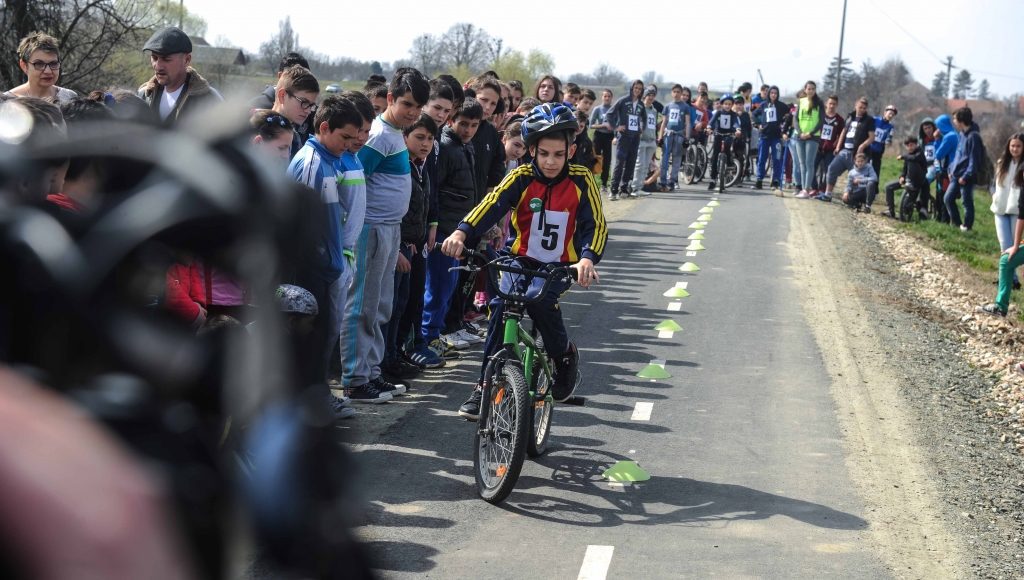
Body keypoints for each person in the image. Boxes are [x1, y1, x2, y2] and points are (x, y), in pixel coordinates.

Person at [441, 103, 606, 420]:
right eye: (544, 153)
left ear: (570, 151)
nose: (551, 161)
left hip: (560, 266)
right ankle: (484, 386)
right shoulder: (520, 176)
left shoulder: (582, 180)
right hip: (517, 258)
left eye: (559, 154)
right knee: (502, 307)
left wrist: (587, 258)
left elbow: (595, 225)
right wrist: (462, 233)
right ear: (531, 151)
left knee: (540, 301)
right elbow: (491, 204)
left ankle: (563, 356)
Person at [342, 67, 429, 400]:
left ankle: (372, 372)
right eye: (407, 104)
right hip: (371, 230)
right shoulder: (379, 135)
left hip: (390, 230)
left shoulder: (395, 133)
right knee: (362, 305)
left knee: (380, 306)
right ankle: (355, 377)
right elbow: (356, 178)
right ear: (390, 98)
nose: (413, 112)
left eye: (418, 107)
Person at [288, 96, 381, 401]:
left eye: (353, 139)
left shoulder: (333, 161)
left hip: (330, 264)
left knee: (325, 334)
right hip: (310, 269)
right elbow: (299, 223)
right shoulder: (311, 164)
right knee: (309, 336)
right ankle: (306, 397)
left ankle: (317, 393)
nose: (348, 145)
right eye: (344, 137)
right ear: (325, 128)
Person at [418, 98, 482, 362]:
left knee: (449, 286)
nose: (467, 130)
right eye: (463, 123)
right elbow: (435, 191)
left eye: (474, 125)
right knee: (438, 286)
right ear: (452, 120)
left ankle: (435, 335)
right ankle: (427, 337)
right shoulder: (444, 147)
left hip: (457, 230)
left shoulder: (466, 148)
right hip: (443, 231)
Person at [381, 113, 437, 384]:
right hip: (398, 245)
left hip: (414, 245)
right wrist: (399, 249)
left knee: (404, 304)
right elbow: (394, 211)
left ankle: (394, 354)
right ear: (405, 137)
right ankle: (383, 361)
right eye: (419, 137)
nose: (426, 143)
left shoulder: (421, 165)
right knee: (390, 307)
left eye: (430, 138)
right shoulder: (400, 165)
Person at [978, 134, 1024, 317]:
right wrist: (994, 196)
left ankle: (1008, 286)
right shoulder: (1002, 162)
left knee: (1011, 250)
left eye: (1018, 146)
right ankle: (1007, 289)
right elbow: (994, 183)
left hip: (1015, 211)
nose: (1014, 149)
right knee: (1006, 248)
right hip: (1001, 208)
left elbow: (1022, 213)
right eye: (1012, 146)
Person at [138, 27, 222, 125]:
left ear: (186, 60)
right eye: (154, 58)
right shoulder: (144, 95)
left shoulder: (209, 100)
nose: (158, 66)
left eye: (166, 59)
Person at [821, 97, 876, 203]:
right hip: (845, 150)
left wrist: (862, 146)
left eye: (864, 108)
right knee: (832, 168)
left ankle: (854, 199)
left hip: (857, 154)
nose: (862, 109)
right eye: (860, 107)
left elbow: (871, 137)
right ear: (856, 105)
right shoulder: (850, 116)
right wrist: (838, 147)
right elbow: (843, 132)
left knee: (857, 177)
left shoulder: (869, 120)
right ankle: (828, 193)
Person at [250, 52, 312, 142]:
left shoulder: (309, 111)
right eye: (295, 78)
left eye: (305, 80)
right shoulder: (255, 107)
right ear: (280, 76)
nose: (301, 85)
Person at [5, 32, 77, 103]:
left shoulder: (69, 98)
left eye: (53, 64)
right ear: (24, 66)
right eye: (39, 64)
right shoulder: (7, 102)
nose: (48, 71)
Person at [944, 106, 984, 232]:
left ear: (961, 121)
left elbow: (974, 160)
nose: (953, 121)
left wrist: (966, 176)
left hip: (966, 177)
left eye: (955, 119)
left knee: (966, 203)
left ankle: (967, 227)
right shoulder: (961, 134)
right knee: (948, 199)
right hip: (956, 174)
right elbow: (958, 154)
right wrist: (951, 169)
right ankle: (957, 224)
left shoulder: (974, 137)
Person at [267, 65, 320, 157]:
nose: (308, 111)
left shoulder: (294, 137)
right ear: (282, 95)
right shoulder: (261, 132)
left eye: (311, 105)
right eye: (304, 102)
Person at [607, 79, 646, 200]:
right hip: (623, 137)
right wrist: (616, 127)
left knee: (631, 163)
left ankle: (624, 188)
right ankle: (613, 190)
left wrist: (642, 129)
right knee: (620, 163)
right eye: (636, 88)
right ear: (632, 88)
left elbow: (644, 118)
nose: (637, 90)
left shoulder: (641, 104)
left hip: (635, 138)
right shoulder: (623, 101)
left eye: (640, 89)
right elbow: (609, 114)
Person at [881, 137, 928, 219]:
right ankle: (890, 210)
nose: (910, 147)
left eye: (912, 145)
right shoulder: (908, 155)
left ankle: (907, 211)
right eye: (908, 146)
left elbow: (914, 158)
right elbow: (904, 169)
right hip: (908, 180)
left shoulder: (920, 153)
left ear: (916, 145)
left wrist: (903, 156)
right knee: (888, 187)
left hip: (918, 181)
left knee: (906, 207)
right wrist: (902, 177)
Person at [792, 81, 824, 198]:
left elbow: (821, 121)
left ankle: (806, 189)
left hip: (813, 137)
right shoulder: (801, 101)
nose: (810, 90)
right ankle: (802, 188)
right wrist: (800, 133)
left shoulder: (819, 103)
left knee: (809, 163)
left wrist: (810, 133)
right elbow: (796, 119)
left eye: (813, 89)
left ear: (815, 90)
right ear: (805, 89)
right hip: (800, 136)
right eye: (808, 88)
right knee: (801, 163)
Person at [753, 85, 788, 191]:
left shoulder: (781, 106)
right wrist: (758, 124)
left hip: (776, 137)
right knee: (762, 158)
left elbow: (789, 115)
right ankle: (759, 180)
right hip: (764, 136)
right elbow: (754, 114)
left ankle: (776, 180)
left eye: (775, 93)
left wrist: (784, 127)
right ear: (768, 94)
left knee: (777, 158)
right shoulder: (763, 105)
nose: (773, 95)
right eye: (771, 93)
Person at [658, 84, 692, 191]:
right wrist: (660, 137)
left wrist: (687, 138)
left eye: (678, 92)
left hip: (679, 135)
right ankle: (663, 181)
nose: (676, 94)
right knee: (664, 159)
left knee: (677, 160)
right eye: (674, 92)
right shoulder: (667, 106)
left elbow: (687, 123)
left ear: (681, 94)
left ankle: (672, 181)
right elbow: (664, 123)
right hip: (668, 135)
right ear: (672, 93)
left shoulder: (685, 107)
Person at [706, 95, 742, 191]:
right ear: (722, 104)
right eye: (725, 104)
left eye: (729, 104)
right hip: (718, 134)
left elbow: (735, 123)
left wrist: (738, 129)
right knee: (715, 155)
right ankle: (713, 179)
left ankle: (729, 164)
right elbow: (712, 121)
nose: (727, 106)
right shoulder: (718, 113)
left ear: (732, 105)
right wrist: (709, 127)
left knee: (727, 149)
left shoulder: (733, 114)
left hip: (728, 134)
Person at [631, 87, 660, 196]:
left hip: (651, 140)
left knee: (645, 166)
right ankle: (634, 187)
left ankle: (640, 187)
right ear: (644, 96)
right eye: (649, 95)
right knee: (639, 164)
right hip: (641, 140)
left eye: (653, 95)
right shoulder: (639, 108)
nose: (651, 97)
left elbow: (653, 126)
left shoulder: (654, 110)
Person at [814, 95, 844, 194]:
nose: (831, 106)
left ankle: (823, 189)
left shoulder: (839, 119)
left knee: (829, 171)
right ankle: (814, 188)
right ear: (826, 104)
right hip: (817, 146)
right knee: (812, 167)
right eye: (830, 103)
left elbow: (841, 134)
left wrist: (837, 144)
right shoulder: (820, 115)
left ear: (837, 105)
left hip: (830, 149)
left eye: (834, 104)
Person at [932, 114, 958, 223]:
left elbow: (938, 154)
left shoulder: (948, 137)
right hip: (955, 168)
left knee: (943, 195)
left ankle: (945, 220)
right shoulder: (955, 134)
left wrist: (937, 139)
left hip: (948, 170)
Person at [590, 89, 614, 191]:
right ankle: (592, 182)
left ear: (611, 98)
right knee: (596, 159)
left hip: (609, 137)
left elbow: (617, 124)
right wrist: (603, 125)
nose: (607, 98)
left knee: (607, 161)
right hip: (599, 136)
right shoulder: (597, 109)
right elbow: (591, 125)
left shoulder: (614, 109)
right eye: (605, 96)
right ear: (602, 97)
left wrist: (612, 127)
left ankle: (604, 184)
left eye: (609, 96)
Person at [869, 105, 898, 176]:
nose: (891, 115)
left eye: (893, 115)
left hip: (878, 151)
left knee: (875, 172)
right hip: (868, 148)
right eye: (890, 113)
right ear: (885, 112)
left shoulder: (890, 127)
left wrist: (888, 141)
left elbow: (889, 138)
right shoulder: (875, 119)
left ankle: (874, 186)